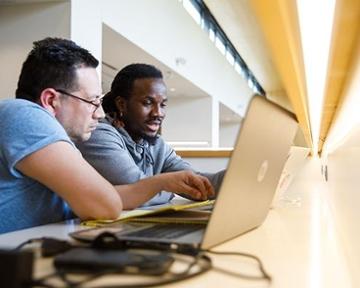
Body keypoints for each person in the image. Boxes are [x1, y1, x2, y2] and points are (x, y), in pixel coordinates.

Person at [0, 39, 214, 234]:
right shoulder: (23, 114)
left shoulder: (55, 138)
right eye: (93, 101)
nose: (100, 113)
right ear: (51, 100)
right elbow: (105, 205)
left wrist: (162, 182)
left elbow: (115, 196)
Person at [77, 63, 225, 206]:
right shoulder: (98, 134)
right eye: (147, 103)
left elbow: (198, 183)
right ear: (122, 104)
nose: (158, 113)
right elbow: (135, 191)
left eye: (163, 105)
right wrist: (172, 188)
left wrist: (238, 175)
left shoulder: (155, 143)